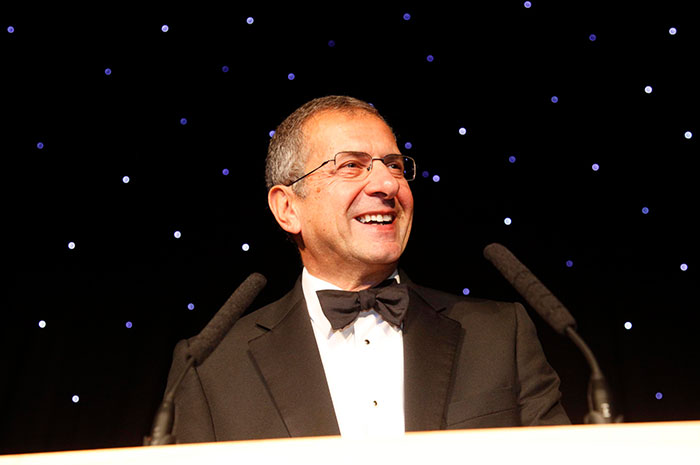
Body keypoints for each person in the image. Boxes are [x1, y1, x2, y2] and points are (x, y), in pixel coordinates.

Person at [165, 95, 570, 443]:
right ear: (288, 208)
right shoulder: (210, 368)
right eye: (352, 166)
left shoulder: (499, 335)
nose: (388, 185)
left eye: (394, 165)